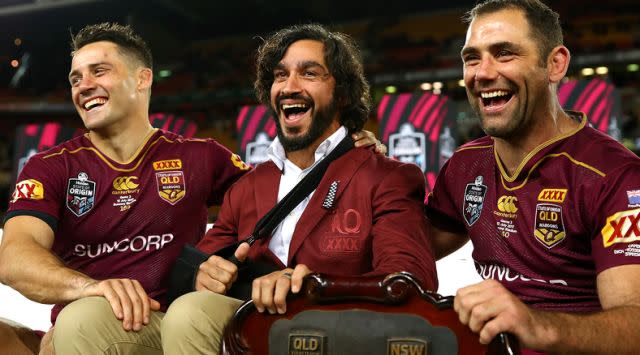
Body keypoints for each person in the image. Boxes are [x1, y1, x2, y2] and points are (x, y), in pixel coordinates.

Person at [0, 22, 385, 354]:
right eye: (75, 78)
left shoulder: (201, 157)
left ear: (142, 78)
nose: (84, 85)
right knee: (77, 320)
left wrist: (341, 153)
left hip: (181, 321)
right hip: (92, 328)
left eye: (98, 71)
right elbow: (15, 256)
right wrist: (89, 289)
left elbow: (283, 201)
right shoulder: (51, 166)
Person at [162, 23, 438, 353]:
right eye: (280, 75)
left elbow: (408, 282)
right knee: (189, 313)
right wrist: (202, 275)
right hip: (254, 333)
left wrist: (313, 288)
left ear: (343, 94)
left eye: (309, 73)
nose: (289, 86)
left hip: (341, 335)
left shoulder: (387, 177)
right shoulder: (247, 186)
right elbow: (196, 265)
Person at [425, 0, 640, 353]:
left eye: (505, 53)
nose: (482, 72)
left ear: (555, 64)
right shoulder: (465, 165)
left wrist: (534, 323)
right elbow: (402, 251)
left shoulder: (615, 177)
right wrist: (365, 167)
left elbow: (635, 325)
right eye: (472, 58)